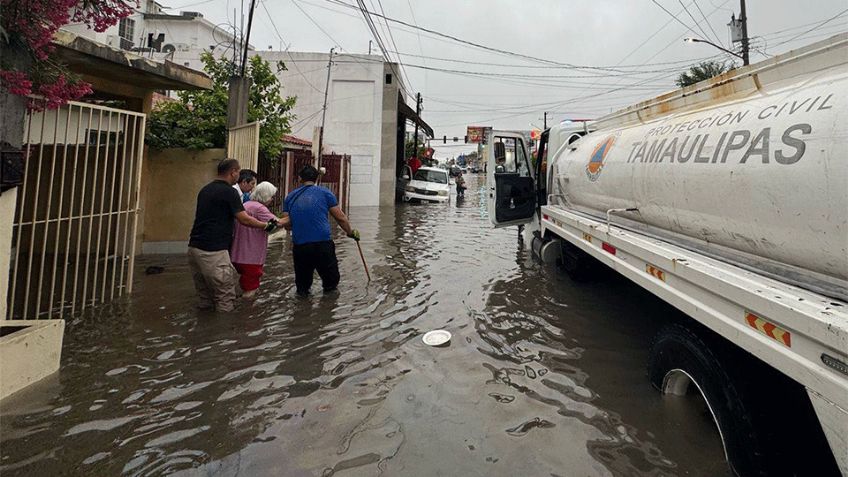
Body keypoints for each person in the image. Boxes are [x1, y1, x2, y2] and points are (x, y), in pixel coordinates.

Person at [188, 159, 285, 312]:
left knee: (205, 298)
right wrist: (265, 225)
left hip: (194, 247)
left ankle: (204, 331)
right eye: (238, 172)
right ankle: (225, 333)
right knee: (225, 297)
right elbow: (244, 219)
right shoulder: (229, 192)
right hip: (214, 250)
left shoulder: (205, 190)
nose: (238, 176)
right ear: (233, 172)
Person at [282, 165, 359, 297]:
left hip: (301, 245)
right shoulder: (326, 193)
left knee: (302, 287)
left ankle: (302, 313)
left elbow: (287, 225)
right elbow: (340, 218)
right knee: (331, 284)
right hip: (323, 244)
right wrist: (350, 232)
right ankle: (328, 311)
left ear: (300, 179)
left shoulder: (290, 197)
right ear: (317, 178)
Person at [230, 181, 283, 299]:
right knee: (250, 291)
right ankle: (247, 314)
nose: (272, 200)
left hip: (237, 255)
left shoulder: (246, 205)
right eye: (272, 197)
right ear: (266, 196)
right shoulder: (260, 209)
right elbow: (278, 223)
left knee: (245, 285)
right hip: (251, 257)